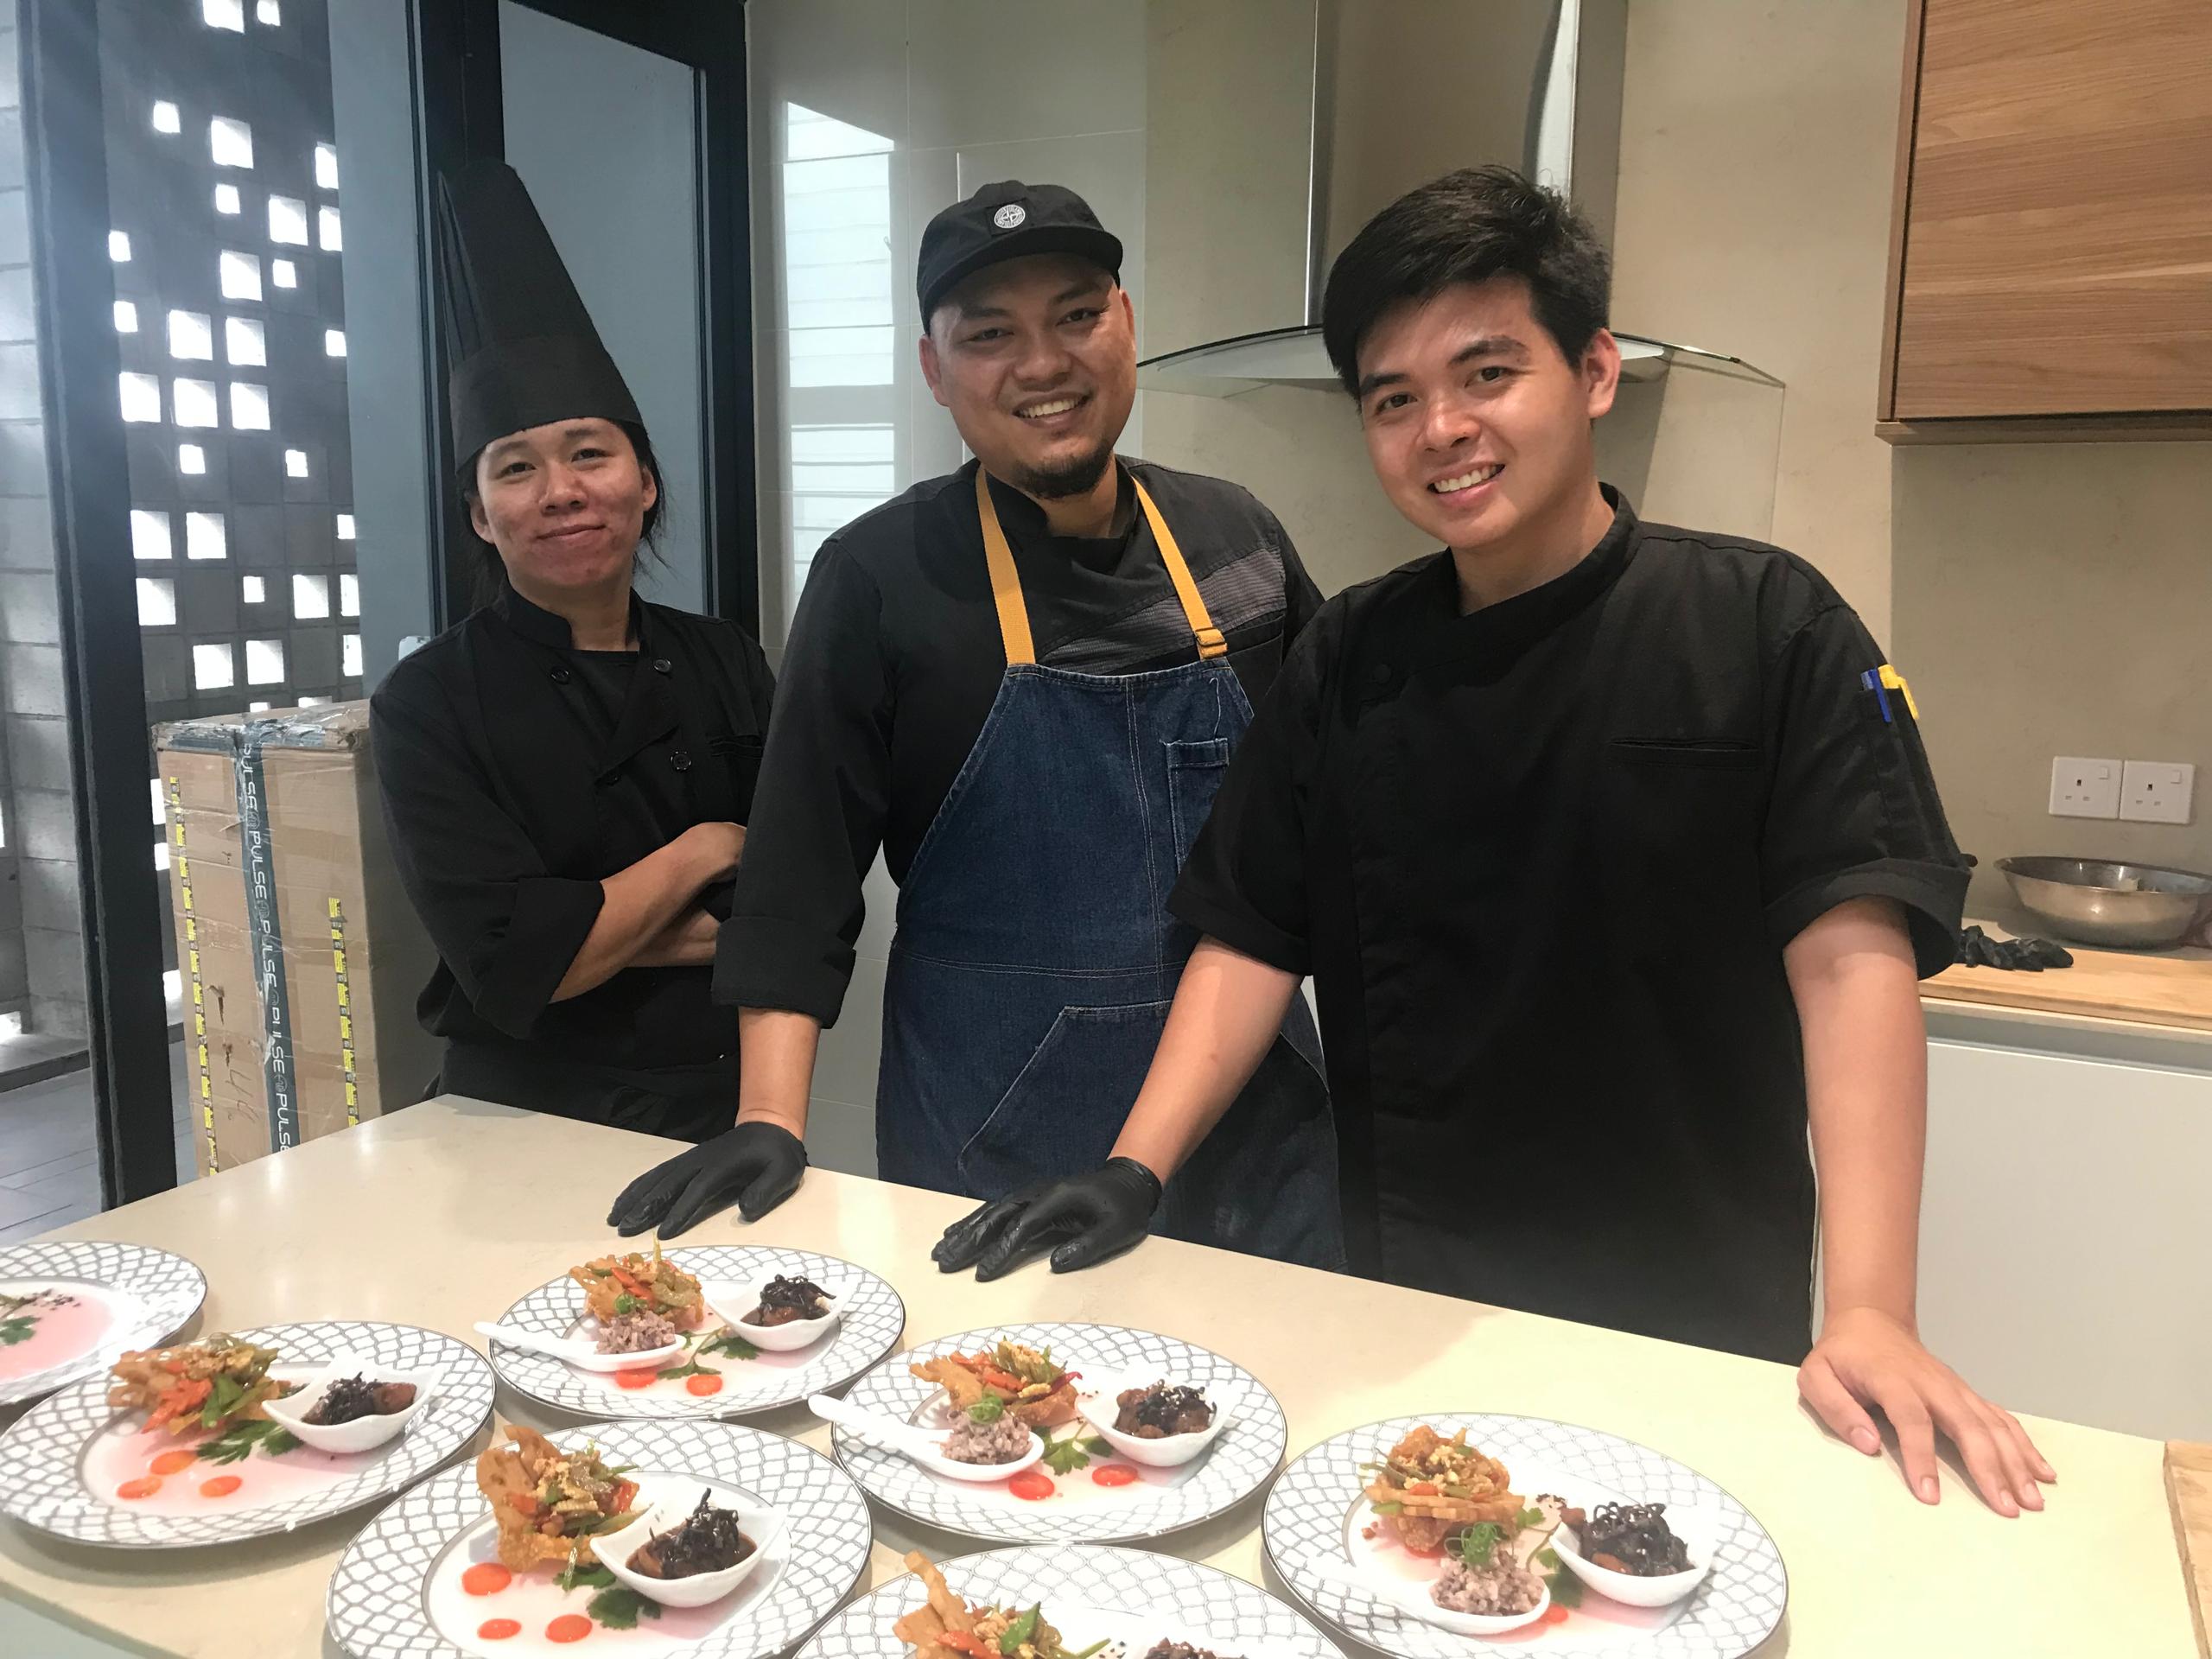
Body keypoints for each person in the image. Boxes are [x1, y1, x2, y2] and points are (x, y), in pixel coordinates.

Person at [933, 166, 2055, 1516]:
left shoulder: (1767, 627)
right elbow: (1249, 931)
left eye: (1486, 375)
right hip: (1405, 1290)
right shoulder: (1350, 651)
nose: (1442, 430)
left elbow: (1851, 961)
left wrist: (1874, 1307)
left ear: (1593, 372)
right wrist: (1137, 1165)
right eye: (1394, 399)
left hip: (1685, 1296)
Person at [605, 181, 1340, 1259]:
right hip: (998, 1124)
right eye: (990, 334)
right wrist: (769, 1116)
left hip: (1255, 1117)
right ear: (934, 371)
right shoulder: (878, 577)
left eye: (1077, 315)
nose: (1042, 363)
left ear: (1127, 323)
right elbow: (802, 867)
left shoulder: (1237, 537)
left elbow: (1334, 798)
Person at [371, 161, 784, 1154]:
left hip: (721, 1104)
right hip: (511, 1116)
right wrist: (703, 848)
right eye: (517, 468)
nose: (561, 490)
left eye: (590, 453)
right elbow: (513, 967)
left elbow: (796, 910)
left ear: (643, 481)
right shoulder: (427, 700)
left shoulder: (726, 655)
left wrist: (584, 930)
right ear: (481, 515)